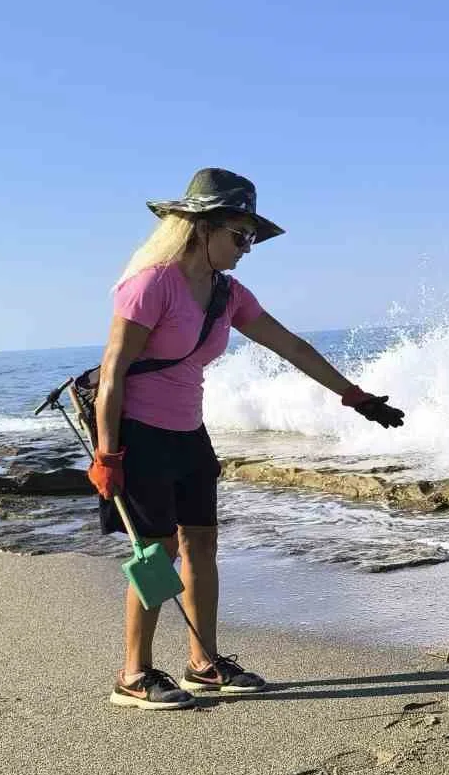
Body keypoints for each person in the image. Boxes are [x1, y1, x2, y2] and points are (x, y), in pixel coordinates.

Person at [89, 167, 405, 711]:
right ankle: (133, 673)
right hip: (139, 436)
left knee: (201, 544)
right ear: (201, 227)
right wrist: (108, 453)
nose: (246, 248)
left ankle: (202, 663)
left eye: (251, 238)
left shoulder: (226, 293)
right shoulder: (151, 284)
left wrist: (357, 396)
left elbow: (291, 346)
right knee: (155, 552)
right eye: (240, 236)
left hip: (189, 432)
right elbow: (112, 373)